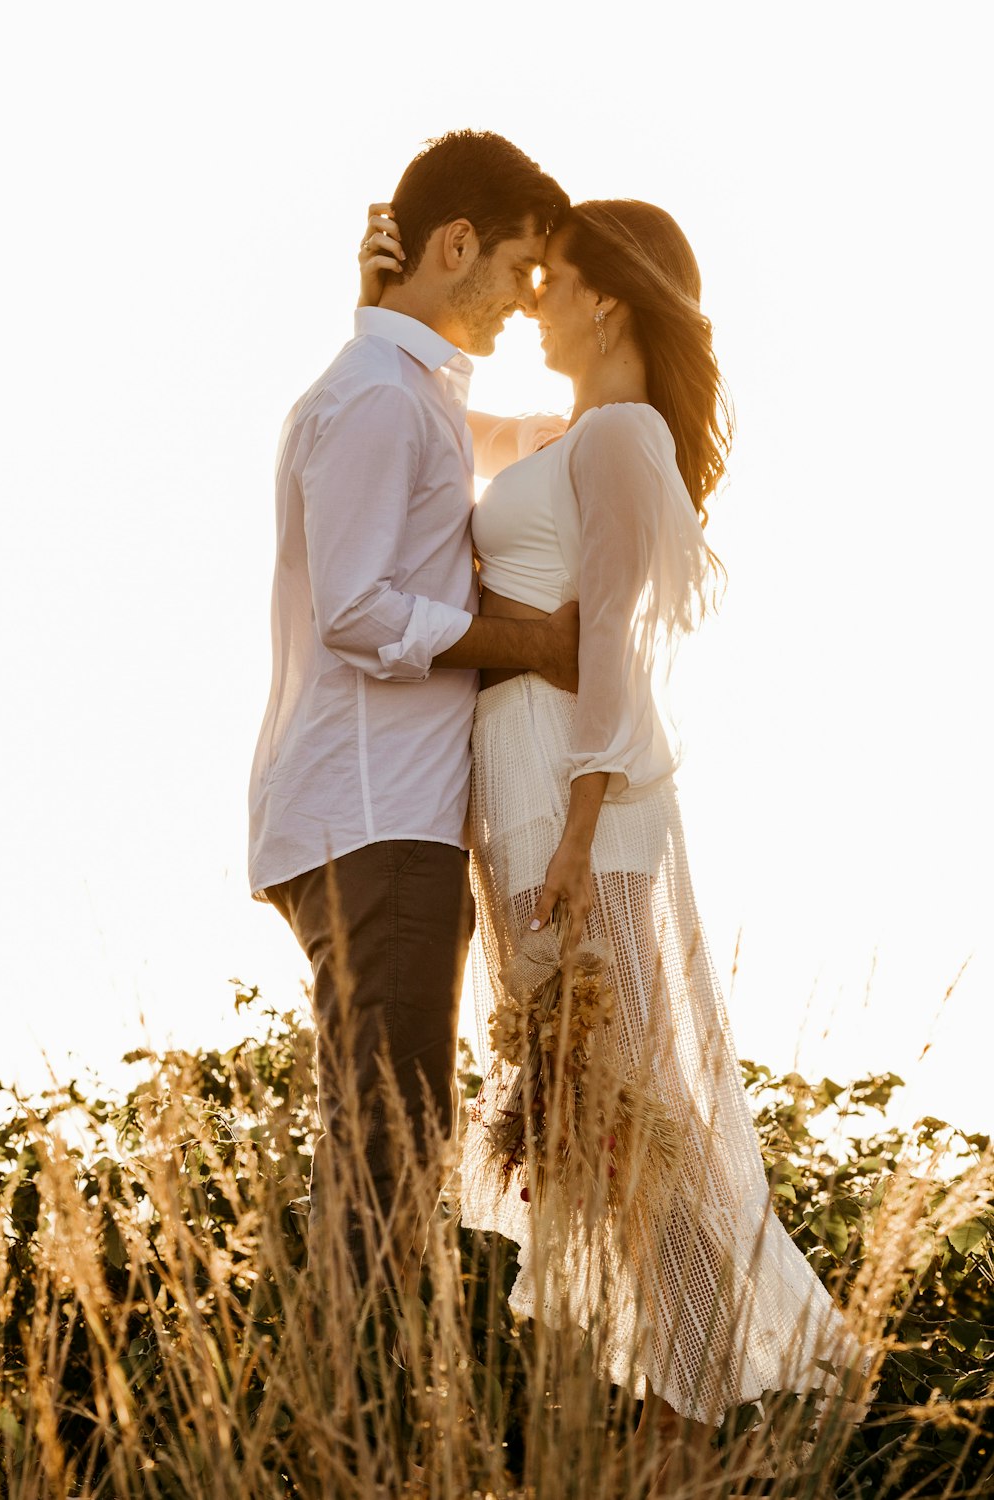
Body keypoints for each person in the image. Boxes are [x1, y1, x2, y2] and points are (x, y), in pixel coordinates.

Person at [359, 195, 866, 1489]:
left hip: (575, 807)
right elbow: (429, 429)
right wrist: (385, 312)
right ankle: (670, 1425)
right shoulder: (579, 438)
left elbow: (621, 648)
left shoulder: (627, 437)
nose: (532, 299)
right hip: (524, 793)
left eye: (553, 278)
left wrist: (581, 830)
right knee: (594, 1118)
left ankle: (693, 1423)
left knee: (629, 1112)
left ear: (609, 298)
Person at [248, 131, 575, 1290]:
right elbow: (357, 610)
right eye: (521, 268)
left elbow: (492, 447)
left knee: (389, 1137)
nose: (527, 303)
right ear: (454, 244)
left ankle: (359, 1421)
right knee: (391, 1155)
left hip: (376, 819)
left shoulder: (402, 389)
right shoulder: (381, 400)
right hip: (377, 821)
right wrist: (532, 641)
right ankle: (362, 1436)